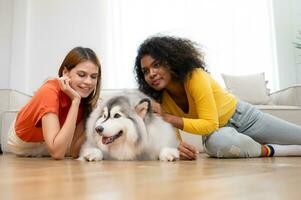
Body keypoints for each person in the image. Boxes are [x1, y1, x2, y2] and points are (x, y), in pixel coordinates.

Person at [134, 35, 301, 160]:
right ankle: (271, 150)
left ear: (171, 62)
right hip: (216, 133)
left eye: (156, 65)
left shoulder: (195, 76)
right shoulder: (160, 98)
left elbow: (208, 122)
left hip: (244, 117)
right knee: (221, 145)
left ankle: (252, 145)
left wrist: (169, 118)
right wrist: (177, 146)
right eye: (146, 71)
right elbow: (176, 133)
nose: (151, 74)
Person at [7, 47, 101, 160]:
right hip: (22, 143)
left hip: (53, 141)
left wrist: (92, 118)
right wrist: (75, 102)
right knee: (58, 148)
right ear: (65, 72)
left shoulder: (85, 101)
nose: (88, 82)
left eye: (93, 76)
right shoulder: (50, 91)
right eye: (81, 75)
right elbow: (58, 154)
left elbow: (74, 151)